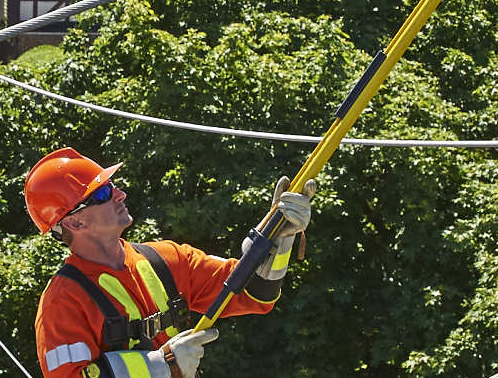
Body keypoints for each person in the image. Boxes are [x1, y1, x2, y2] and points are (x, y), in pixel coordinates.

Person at [25, 147, 313, 378]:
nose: (120, 194)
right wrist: (162, 366)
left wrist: (276, 239)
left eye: (112, 186)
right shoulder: (62, 303)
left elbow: (254, 295)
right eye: (102, 193)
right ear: (74, 221)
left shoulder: (167, 259)